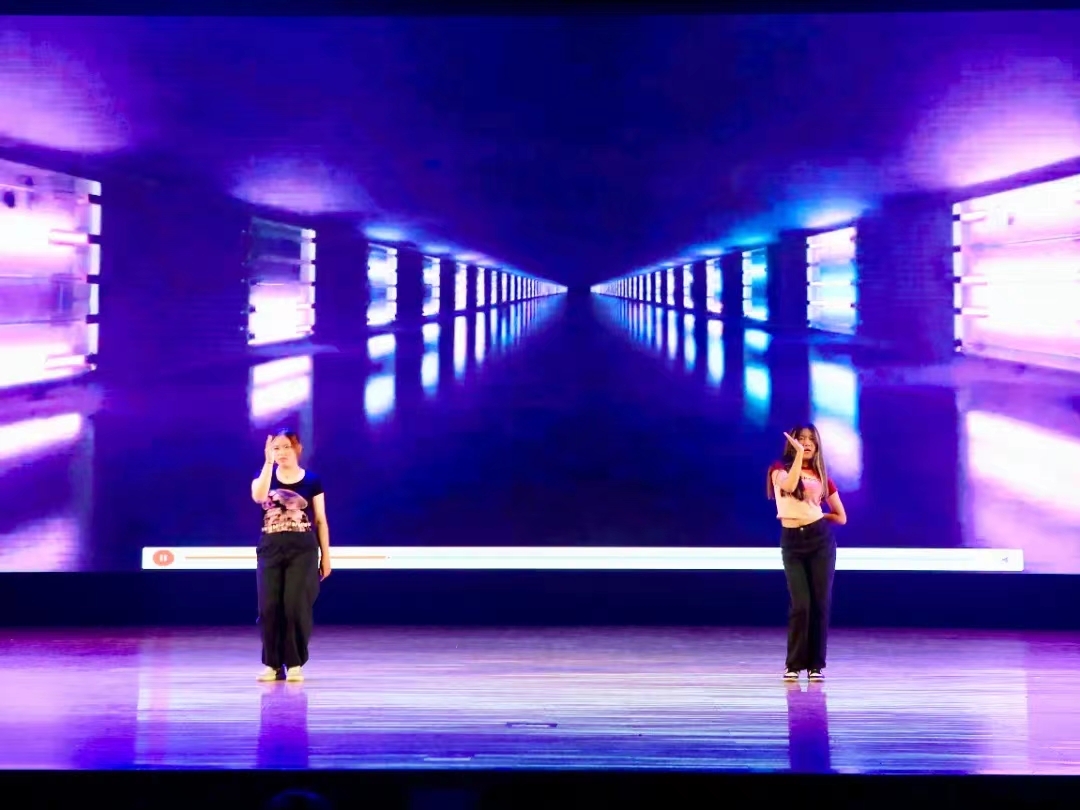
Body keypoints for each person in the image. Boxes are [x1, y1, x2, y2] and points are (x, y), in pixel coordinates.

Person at [767, 424, 847, 681]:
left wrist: (817, 515)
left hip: (819, 540)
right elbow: (790, 486)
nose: (807, 442)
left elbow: (841, 516)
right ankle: (793, 664)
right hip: (792, 541)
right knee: (800, 603)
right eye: (801, 439)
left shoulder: (822, 476)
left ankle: (815, 666)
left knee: (820, 603)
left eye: (811, 439)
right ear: (792, 442)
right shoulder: (779, 470)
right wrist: (799, 455)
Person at [251, 428, 331, 682]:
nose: (281, 452)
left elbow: (320, 520)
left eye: (286, 446)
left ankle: (295, 663)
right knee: (269, 607)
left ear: (298, 449)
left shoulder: (312, 481)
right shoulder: (264, 477)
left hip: (302, 550)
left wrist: (326, 557)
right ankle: (272, 664)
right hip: (270, 549)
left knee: (295, 606)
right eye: (276, 448)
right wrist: (268, 463)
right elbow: (258, 496)